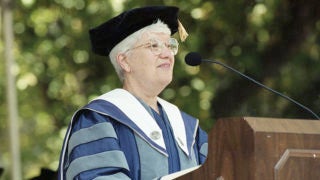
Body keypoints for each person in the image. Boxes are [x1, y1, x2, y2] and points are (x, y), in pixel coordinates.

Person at [58, 5, 208, 180]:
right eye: (154, 45)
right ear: (124, 61)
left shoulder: (189, 128)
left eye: (170, 45)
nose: (167, 54)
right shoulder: (99, 119)